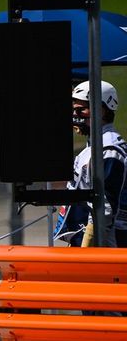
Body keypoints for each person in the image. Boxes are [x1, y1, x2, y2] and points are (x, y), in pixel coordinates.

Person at [55, 80, 127, 247]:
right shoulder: (95, 146)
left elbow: (105, 207)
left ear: (101, 110)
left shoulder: (108, 150)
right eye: (74, 110)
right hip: (90, 241)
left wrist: (87, 245)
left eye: (81, 110)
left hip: (105, 246)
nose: (75, 115)